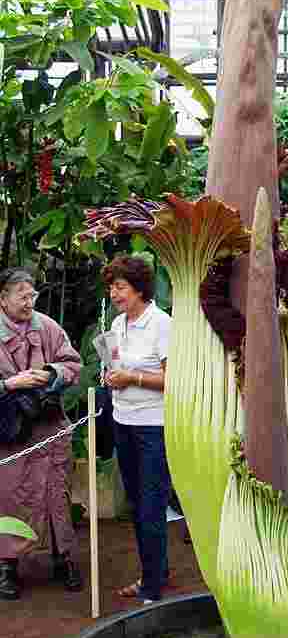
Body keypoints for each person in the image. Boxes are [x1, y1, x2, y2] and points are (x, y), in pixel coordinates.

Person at [0, 268, 82, 600]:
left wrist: (51, 373)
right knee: (10, 496)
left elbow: (73, 364)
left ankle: (64, 559)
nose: (28, 300)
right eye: (20, 294)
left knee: (56, 493)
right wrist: (10, 384)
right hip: (12, 433)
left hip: (49, 427)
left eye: (31, 294)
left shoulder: (47, 326)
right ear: (2, 298)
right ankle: (7, 567)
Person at [102, 254, 172, 604]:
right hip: (123, 421)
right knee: (135, 502)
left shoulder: (161, 324)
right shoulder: (118, 325)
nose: (115, 294)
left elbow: (175, 379)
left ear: (140, 288)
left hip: (153, 427)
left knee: (151, 504)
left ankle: (153, 586)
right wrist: (112, 377)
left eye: (121, 287)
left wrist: (134, 378)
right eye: (112, 287)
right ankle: (154, 573)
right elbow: (115, 364)